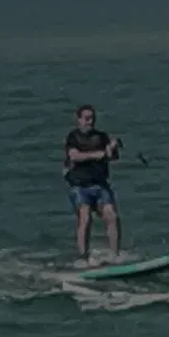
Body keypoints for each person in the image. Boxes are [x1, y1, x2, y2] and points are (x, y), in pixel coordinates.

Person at [62, 104, 121, 263]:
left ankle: (115, 255)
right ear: (79, 120)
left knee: (111, 216)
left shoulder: (101, 137)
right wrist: (99, 154)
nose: (90, 122)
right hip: (80, 187)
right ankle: (83, 257)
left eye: (92, 118)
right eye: (87, 119)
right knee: (85, 217)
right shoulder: (73, 137)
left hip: (100, 185)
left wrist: (113, 148)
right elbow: (75, 156)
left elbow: (112, 157)